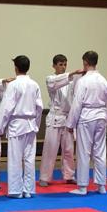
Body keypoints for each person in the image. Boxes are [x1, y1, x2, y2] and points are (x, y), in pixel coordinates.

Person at [0, 55, 43, 199]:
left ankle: (16, 190)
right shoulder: (34, 84)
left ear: (15, 68)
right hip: (31, 124)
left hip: (17, 124)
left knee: (15, 158)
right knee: (29, 158)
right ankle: (28, 190)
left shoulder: (13, 85)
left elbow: (6, 108)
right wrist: (36, 125)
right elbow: (39, 107)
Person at [65, 50, 107, 196]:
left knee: (84, 152)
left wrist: (70, 124)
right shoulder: (103, 80)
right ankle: (101, 185)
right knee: (100, 151)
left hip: (87, 117)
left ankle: (83, 186)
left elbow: (77, 103)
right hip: (101, 116)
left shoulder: (83, 81)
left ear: (85, 62)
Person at [39, 54, 78, 187]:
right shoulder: (50, 79)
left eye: (65, 64)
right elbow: (57, 82)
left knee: (69, 149)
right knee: (50, 149)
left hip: (67, 118)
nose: (63, 67)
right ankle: (44, 177)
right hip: (55, 118)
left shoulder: (71, 81)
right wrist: (71, 74)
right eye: (60, 64)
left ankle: (69, 175)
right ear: (54, 66)